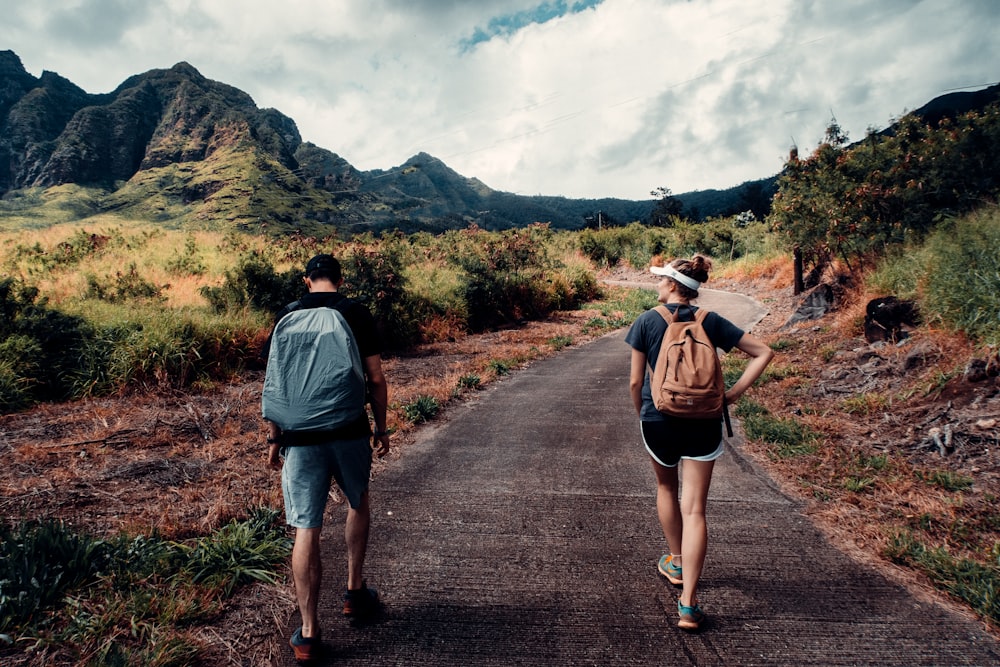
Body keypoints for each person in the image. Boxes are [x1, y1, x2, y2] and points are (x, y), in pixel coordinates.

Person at [625, 254, 773, 631]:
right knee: (695, 510)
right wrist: (732, 395)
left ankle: (675, 559)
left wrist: (642, 412)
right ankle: (688, 604)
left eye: (661, 280)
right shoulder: (712, 322)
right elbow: (763, 353)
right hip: (704, 421)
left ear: (673, 285)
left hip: (658, 418)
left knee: (665, 486)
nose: (657, 285)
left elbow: (634, 381)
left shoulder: (646, 321)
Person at [263, 253, 391, 663]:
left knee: (306, 526)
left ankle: (309, 633)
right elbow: (375, 378)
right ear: (339, 278)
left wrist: (274, 437)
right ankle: (355, 592)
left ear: (307, 280)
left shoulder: (287, 314)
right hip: (349, 431)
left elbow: (277, 383)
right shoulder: (355, 312)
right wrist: (381, 427)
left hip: (299, 438)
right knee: (358, 501)